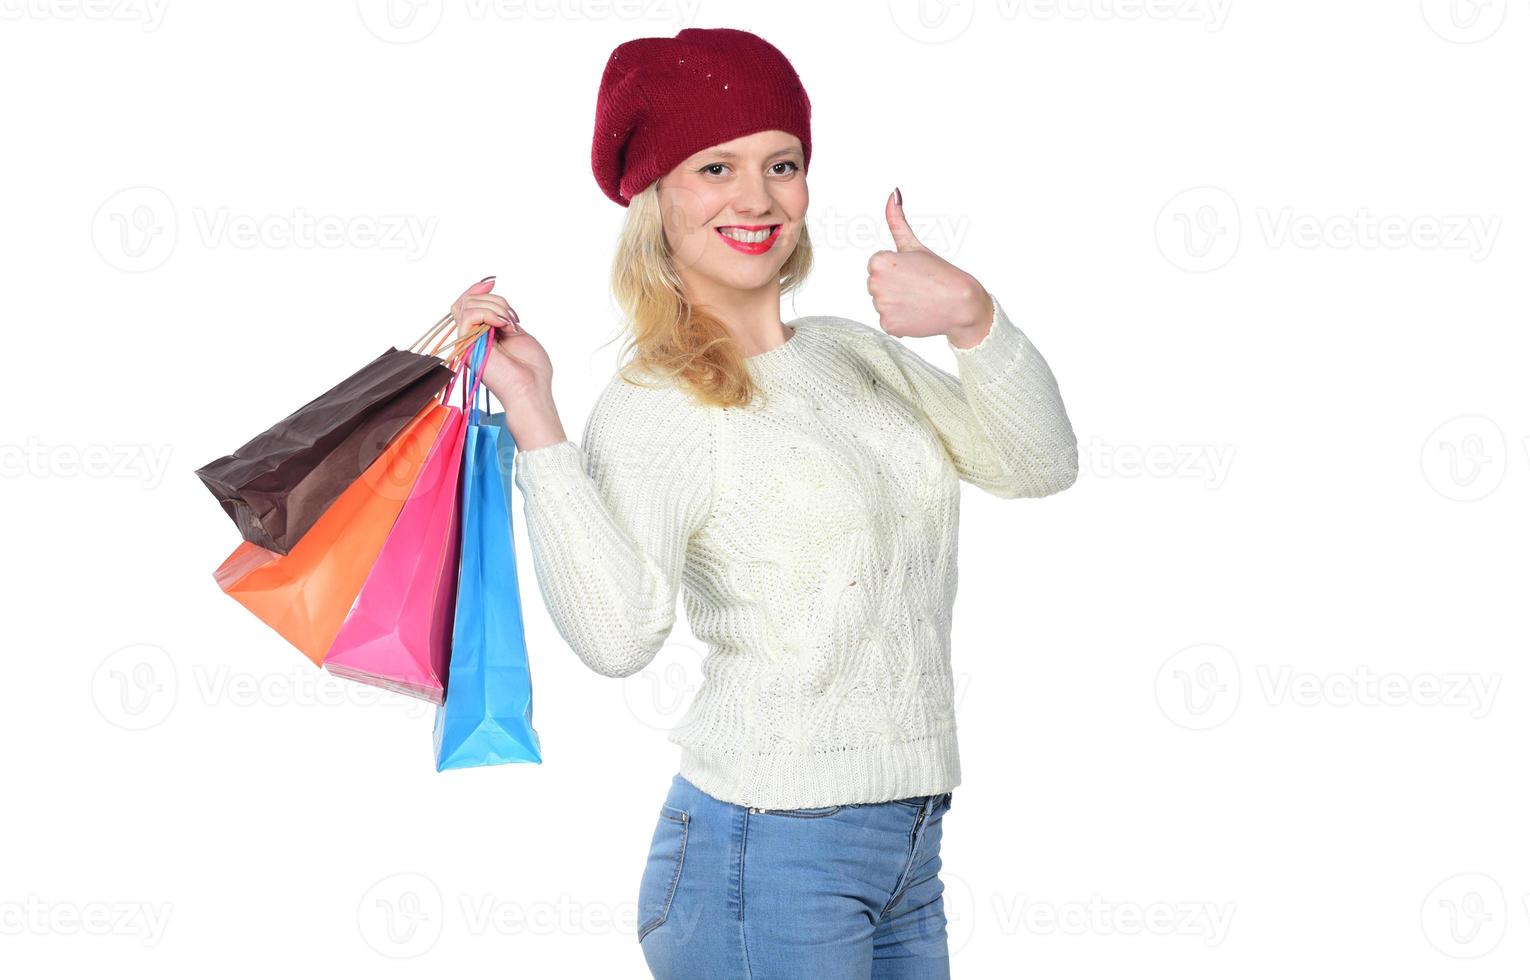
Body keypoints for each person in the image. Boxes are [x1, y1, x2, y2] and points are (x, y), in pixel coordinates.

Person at [452, 27, 1078, 980]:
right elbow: (618, 639)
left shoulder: (847, 353)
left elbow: (1038, 465)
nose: (757, 198)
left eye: (781, 164)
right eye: (715, 167)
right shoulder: (661, 402)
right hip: (765, 854)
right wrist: (536, 416)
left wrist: (974, 321)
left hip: (912, 837)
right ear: (656, 201)